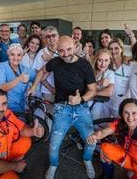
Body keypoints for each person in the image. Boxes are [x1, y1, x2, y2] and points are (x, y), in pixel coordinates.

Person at [28, 36, 97, 179]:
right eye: (61, 51)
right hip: (61, 108)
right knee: (54, 144)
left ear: (75, 45)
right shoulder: (55, 62)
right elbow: (41, 72)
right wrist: (34, 86)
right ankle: (53, 165)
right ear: (57, 50)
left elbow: (93, 90)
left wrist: (81, 99)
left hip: (81, 107)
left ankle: (87, 159)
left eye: (69, 49)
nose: (65, 54)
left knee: (91, 140)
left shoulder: (85, 65)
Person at [0, 43, 36, 116]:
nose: (16, 58)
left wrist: (33, 87)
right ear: (8, 55)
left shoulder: (24, 69)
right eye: (12, 54)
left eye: (19, 55)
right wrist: (19, 78)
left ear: (22, 57)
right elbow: (2, 87)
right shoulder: (1, 67)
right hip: (5, 108)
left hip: (21, 108)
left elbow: (37, 76)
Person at [32, 26, 59, 103]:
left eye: (53, 35)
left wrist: (50, 59)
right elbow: (38, 73)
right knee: (49, 113)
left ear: (58, 36)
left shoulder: (63, 51)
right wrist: (50, 88)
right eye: (48, 36)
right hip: (47, 91)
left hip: (63, 90)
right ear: (44, 39)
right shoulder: (41, 53)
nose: (51, 38)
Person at [107, 38, 133, 117]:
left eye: (116, 48)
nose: (113, 51)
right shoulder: (107, 64)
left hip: (122, 103)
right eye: (111, 49)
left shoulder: (129, 63)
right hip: (108, 102)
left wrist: (131, 36)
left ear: (122, 49)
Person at [89, 49, 115, 120]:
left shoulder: (110, 73)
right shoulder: (91, 72)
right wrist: (98, 84)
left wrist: (91, 94)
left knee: (98, 126)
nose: (103, 64)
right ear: (96, 60)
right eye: (100, 60)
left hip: (101, 107)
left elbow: (109, 92)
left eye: (106, 60)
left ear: (110, 61)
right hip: (88, 106)